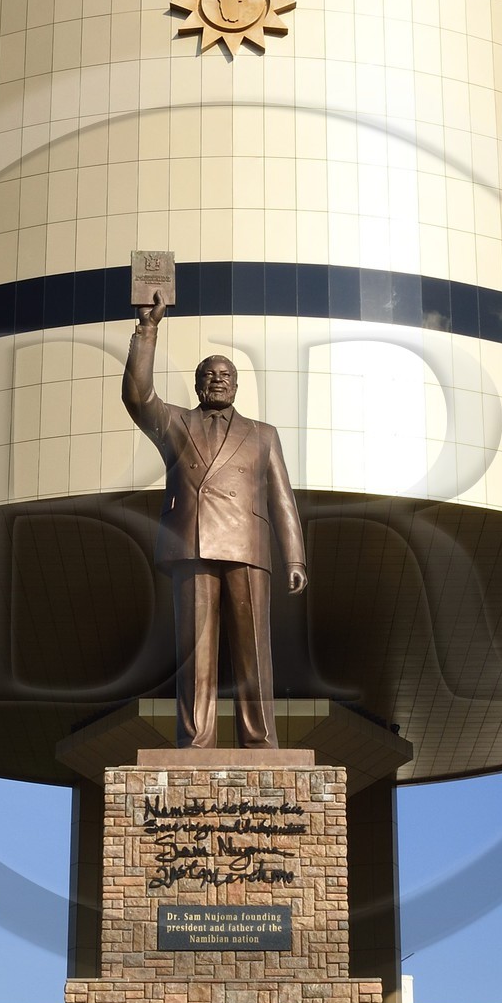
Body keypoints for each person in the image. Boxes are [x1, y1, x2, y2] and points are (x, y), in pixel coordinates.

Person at [122, 289, 306, 749]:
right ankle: (195, 740)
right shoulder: (176, 424)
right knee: (196, 652)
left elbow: (282, 499)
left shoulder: (263, 435)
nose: (218, 380)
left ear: (237, 386)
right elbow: (138, 395)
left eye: (226, 375)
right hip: (193, 545)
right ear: (199, 383)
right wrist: (149, 329)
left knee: (253, 653)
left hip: (247, 545)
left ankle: (260, 740)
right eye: (209, 374)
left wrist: (295, 558)